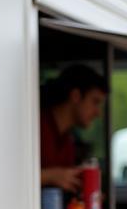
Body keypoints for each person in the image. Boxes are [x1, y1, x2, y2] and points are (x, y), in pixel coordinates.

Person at [40, 64, 108, 192]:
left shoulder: (67, 141)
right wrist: (50, 176)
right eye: (95, 102)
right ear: (75, 96)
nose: (97, 113)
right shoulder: (34, 128)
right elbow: (7, 174)